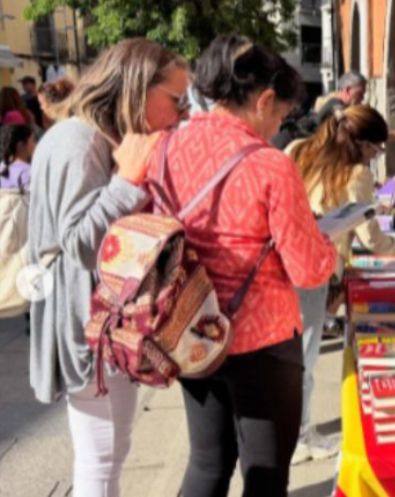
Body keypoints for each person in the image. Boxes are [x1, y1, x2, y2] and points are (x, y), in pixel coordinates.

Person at [149, 35, 337, 497]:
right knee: (266, 473)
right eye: (279, 115)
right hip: (263, 341)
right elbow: (309, 270)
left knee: (207, 464)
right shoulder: (270, 164)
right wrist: (327, 245)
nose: (276, 127)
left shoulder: (166, 148)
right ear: (265, 99)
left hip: (193, 329)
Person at [27, 38, 189, 497]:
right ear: (138, 87)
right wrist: (126, 181)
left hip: (107, 328)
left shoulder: (96, 137)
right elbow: (79, 244)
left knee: (113, 452)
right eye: (174, 100)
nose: (177, 115)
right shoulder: (76, 141)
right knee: (99, 461)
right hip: (87, 329)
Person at [286, 104, 395, 464]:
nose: (376, 158)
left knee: (285, 355)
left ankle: (288, 429)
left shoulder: (297, 149)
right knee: (305, 357)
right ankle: (299, 436)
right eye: (376, 150)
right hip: (314, 272)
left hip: (280, 263)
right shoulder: (356, 174)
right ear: (361, 144)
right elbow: (373, 239)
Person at [0, 125, 36, 189]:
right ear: (20, 145)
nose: (35, 145)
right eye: (33, 141)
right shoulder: (28, 172)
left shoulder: (2, 166)